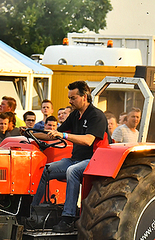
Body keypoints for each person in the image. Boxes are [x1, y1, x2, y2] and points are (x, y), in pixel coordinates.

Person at [31, 80, 108, 232]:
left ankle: (68, 218)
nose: (70, 101)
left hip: (95, 160)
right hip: (75, 159)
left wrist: (64, 134)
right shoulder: (75, 115)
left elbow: (88, 140)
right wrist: (31, 133)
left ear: (84, 97)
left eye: (73, 98)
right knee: (45, 170)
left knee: (72, 171)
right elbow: (53, 136)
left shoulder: (96, 116)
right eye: (69, 98)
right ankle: (34, 213)